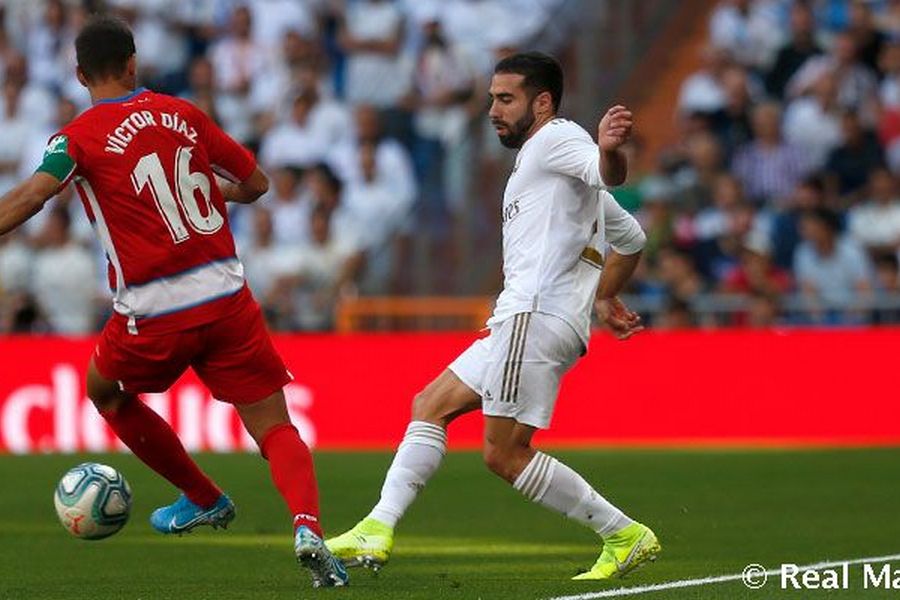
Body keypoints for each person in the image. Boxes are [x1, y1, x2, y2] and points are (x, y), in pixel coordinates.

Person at [0, 16, 347, 589]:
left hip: (155, 308)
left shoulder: (75, 139)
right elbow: (257, 184)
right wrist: (218, 192)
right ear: (133, 63)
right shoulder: (184, 113)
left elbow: (37, 194)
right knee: (274, 426)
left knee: (104, 391)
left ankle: (203, 496)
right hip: (227, 297)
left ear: (80, 75)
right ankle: (308, 528)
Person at [326, 51, 659, 580]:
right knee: (430, 405)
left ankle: (622, 533)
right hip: (525, 320)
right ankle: (378, 525)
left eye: (506, 99)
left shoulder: (556, 139)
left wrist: (609, 152)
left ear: (542, 102)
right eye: (491, 100)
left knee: (504, 454)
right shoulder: (551, 173)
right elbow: (632, 238)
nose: (493, 111)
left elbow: (606, 173)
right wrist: (603, 296)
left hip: (533, 316)